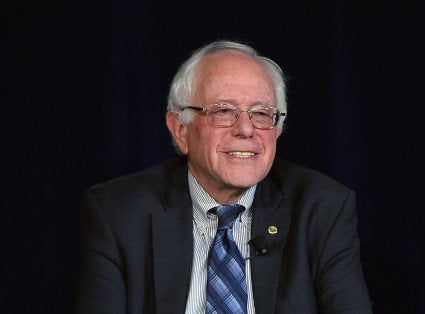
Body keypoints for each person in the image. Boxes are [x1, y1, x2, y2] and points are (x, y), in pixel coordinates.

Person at [76, 40, 373, 313]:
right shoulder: (119, 212)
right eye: (223, 111)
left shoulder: (322, 208)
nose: (245, 129)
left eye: (261, 113)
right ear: (181, 128)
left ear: (277, 129)